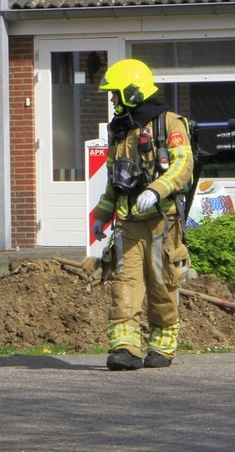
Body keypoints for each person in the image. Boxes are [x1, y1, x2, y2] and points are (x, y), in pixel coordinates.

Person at [91, 59, 194, 371]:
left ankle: (162, 348)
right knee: (125, 283)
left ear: (132, 93)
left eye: (115, 94)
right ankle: (126, 348)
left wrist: (157, 190)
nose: (112, 100)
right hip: (128, 222)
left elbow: (182, 165)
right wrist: (102, 215)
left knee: (162, 284)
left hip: (163, 220)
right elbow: (115, 180)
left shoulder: (170, 124)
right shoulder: (121, 132)